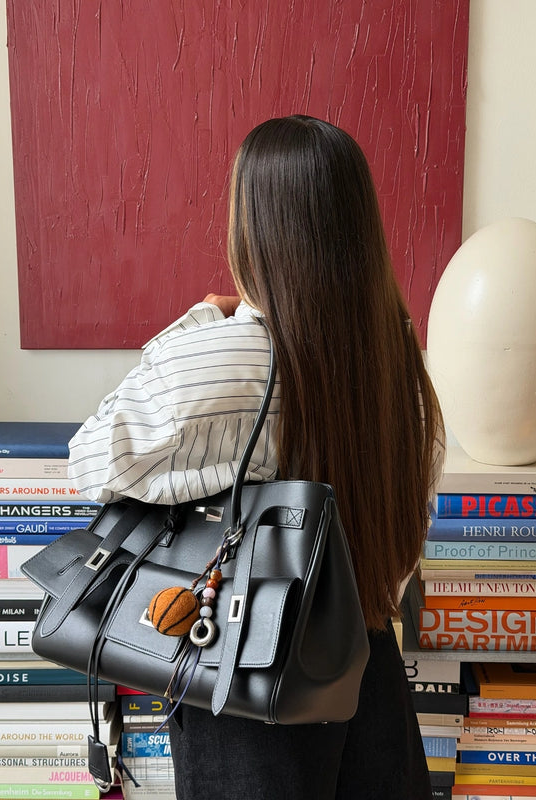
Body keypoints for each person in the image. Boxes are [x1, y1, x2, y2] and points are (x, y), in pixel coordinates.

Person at [68, 115, 445, 800]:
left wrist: (198, 322)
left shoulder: (224, 356)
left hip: (245, 674)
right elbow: (411, 520)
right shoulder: (397, 360)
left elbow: (92, 459)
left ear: (256, 227)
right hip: (367, 665)